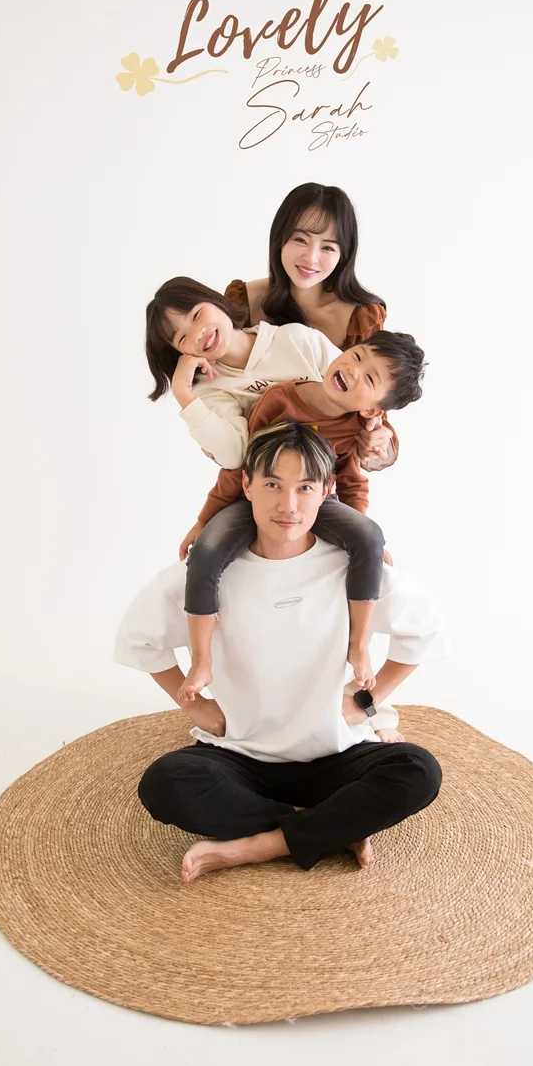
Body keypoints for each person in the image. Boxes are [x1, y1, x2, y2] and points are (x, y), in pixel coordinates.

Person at [114, 422, 448, 884]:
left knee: (418, 770)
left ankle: (259, 845)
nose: (288, 505)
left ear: (327, 491)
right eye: (272, 485)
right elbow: (140, 638)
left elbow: (424, 631)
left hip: (335, 751)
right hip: (241, 753)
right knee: (164, 784)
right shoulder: (206, 573)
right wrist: (197, 707)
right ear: (247, 485)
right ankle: (331, 828)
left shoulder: (353, 568)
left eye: (305, 488)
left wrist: (366, 703)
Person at [177, 333, 425, 703]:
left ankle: (358, 645)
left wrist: (360, 534)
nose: (353, 371)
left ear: (374, 411)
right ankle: (201, 660)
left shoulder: (358, 427)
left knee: (370, 536)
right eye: (357, 356)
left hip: (313, 505)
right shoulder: (279, 399)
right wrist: (204, 518)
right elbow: (243, 463)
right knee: (207, 550)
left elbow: (352, 480)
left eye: (369, 378)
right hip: (255, 499)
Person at [145, 275, 394, 469]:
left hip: (324, 481)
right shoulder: (210, 389)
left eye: (197, 315)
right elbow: (234, 456)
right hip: (261, 489)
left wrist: (377, 437)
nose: (197, 333)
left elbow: (363, 396)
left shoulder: (296, 339)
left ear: (214, 300)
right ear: (181, 353)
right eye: (182, 338)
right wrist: (183, 394)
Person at [224, 181, 386, 351]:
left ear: (343, 255)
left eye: (328, 247)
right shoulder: (244, 301)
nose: (311, 258)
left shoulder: (361, 319)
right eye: (300, 240)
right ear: (280, 238)